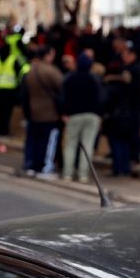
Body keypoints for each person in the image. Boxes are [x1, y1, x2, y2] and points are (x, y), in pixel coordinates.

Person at [21, 46, 63, 178]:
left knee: (36, 141)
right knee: (48, 142)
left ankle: (34, 166)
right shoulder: (50, 71)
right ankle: (45, 168)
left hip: (34, 112)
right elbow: (62, 87)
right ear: (48, 55)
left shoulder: (30, 72)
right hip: (49, 113)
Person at [61, 53, 102, 183]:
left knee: (70, 144)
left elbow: (63, 97)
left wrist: (64, 112)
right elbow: (101, 98)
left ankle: (67, 173)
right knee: (87, 145)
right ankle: (83, 174)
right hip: (92, 114)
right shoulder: (95, 79)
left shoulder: (70, 79)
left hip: (73, 115)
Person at [104, 61, 136, 176]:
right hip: (127, 118)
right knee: (124, 143)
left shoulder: (109, 87)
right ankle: (125, 168)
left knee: (115, 144)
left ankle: (117, 168)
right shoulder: (127, 85)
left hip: (114, 119)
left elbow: (105, 102)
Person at [0, 44, 23, 136]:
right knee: (7, 112)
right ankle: (4, 131)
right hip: (10, 90)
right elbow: (19, 73)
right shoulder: (13, 59)